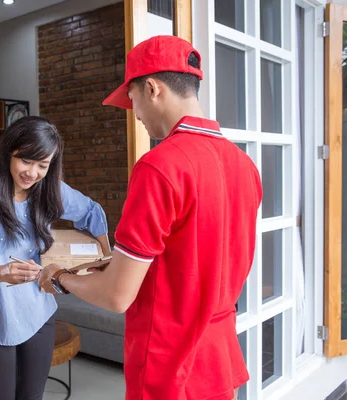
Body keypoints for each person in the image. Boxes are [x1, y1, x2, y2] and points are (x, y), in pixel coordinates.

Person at [39, 35, 262, 400]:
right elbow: (201, 255)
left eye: (132, 100)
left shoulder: (160, 167)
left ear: (153, 88)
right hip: (218, 356)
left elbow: (116, 296)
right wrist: (119, 265)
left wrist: (60, 277)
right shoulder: (244, 166)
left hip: (169, 363)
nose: (136, 115)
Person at [0, 116, 110, 400]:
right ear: (9, 152)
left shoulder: (51, 190)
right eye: (26, 160)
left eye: (43, 165)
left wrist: (104, 256)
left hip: (38, 313)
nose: (32, 172)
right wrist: (2, 273)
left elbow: (92, 212)